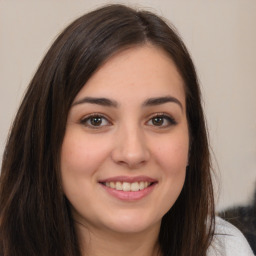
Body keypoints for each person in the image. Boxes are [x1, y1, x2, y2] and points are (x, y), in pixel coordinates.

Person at [0, 4, 253, 256]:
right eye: (96, 120)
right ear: (46, 140)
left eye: (159, 120)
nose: (132, 154)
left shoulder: (225, 248)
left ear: (191, 142)